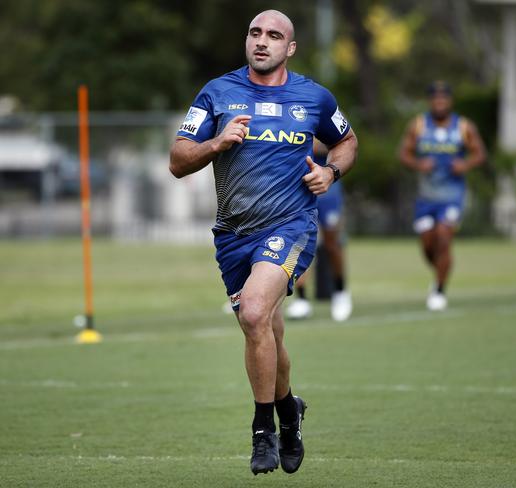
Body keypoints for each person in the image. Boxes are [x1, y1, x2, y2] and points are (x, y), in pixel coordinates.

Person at [169, 10, 357, 476]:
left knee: (254, 312)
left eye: (275, 36)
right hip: (233, 236)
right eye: (255, 32)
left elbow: (347, 140)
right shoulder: (218, 93)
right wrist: (216, 144)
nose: (262, 41)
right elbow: (176, 160)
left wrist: (329, 171)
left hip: (290, 226)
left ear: (289, 48)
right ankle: (290, 411)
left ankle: (262, 431)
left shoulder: (314, 97)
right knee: (266, 331)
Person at [398, 81, 486, 311]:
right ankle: (439, 272)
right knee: (428, 243)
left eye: (443, 100)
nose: (440, 104)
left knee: (444, 236)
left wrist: (464, 164)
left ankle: (439, 289)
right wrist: (418, 163)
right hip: (426, 196)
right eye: (435, 100)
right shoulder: (419, 125)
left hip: (452, 195)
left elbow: (479, 154)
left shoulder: (463, 127)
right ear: (430, 102)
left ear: (450, 102)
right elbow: (403, 154)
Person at [286, 139, 352, 322]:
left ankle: (340, 291)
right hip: (298, 188)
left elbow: (342, 143)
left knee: (333, 243)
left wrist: (307, 140)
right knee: (298, 243)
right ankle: (301, 299)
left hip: (327, 190)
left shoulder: (324, 111)